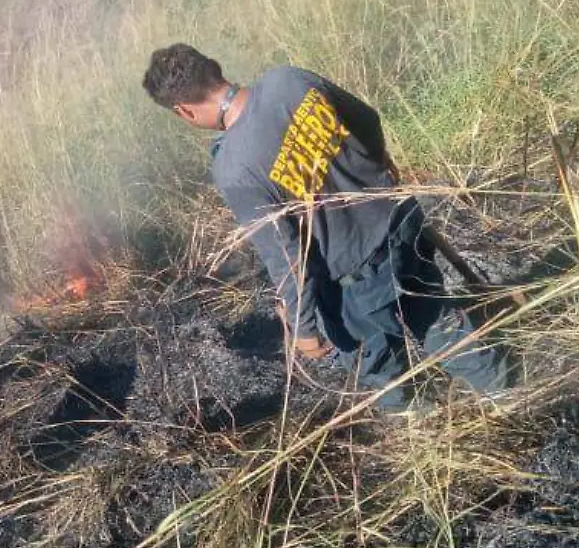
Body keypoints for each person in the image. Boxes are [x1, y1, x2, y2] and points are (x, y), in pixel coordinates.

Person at [141, 44, 508, 409]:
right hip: (399, 219)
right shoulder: (288, 80)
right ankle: (505, 392)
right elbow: (367, 119)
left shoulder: (234, 169)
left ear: (184, 111)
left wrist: (303, 329)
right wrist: (381, 165)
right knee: (435, 315)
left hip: (360, 275)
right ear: (214, 66)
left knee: (379, 367)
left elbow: (286, 256)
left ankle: (420, 430)